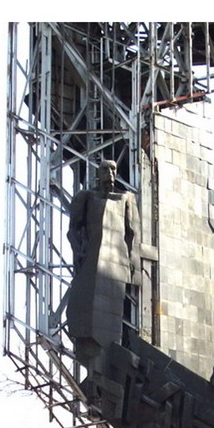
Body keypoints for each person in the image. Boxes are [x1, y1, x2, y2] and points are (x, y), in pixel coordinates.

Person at [66, 160, 137, 393]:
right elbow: (73, 229)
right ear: (99, 173)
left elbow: (132, 234)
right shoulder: (87, 197)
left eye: (114, 169)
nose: (111, 173)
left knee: (110, 325)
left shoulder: (126, 199)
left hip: (116, 266)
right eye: (106, 169)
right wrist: (79, 252)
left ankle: (103, 373)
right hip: (91, 264)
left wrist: (133, 266)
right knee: (86, 317)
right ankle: (94, 369)